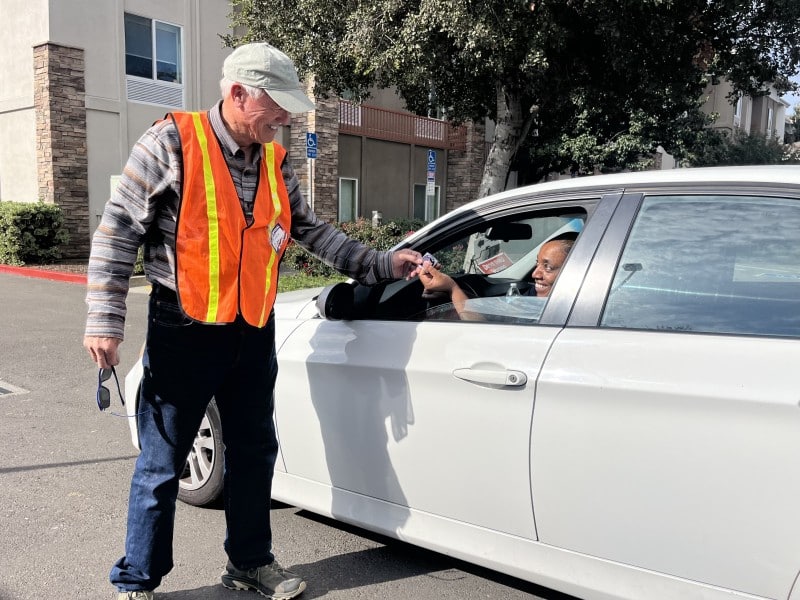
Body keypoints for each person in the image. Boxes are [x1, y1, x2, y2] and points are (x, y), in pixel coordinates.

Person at [83, 42, 422, 600]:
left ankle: (250, 564)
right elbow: (118, 230)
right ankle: (137, 579)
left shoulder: (274, 161)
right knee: (162, 461)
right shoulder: (170, 141)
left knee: (254, 451)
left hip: (252, 330)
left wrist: (384, 263)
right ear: (238, 93)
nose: (285, 117)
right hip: (184, 329)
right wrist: (105, 319)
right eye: (277, 105)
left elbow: (314, 232)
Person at [418, 233, 576, 318]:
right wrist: (448, 293)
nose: (535, 274)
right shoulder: (535, 296)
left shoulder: (567, 312)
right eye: (537, 263)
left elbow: (481, 329)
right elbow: (499, 313)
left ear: (574, 271)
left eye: (547, 267)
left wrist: (453, 289)